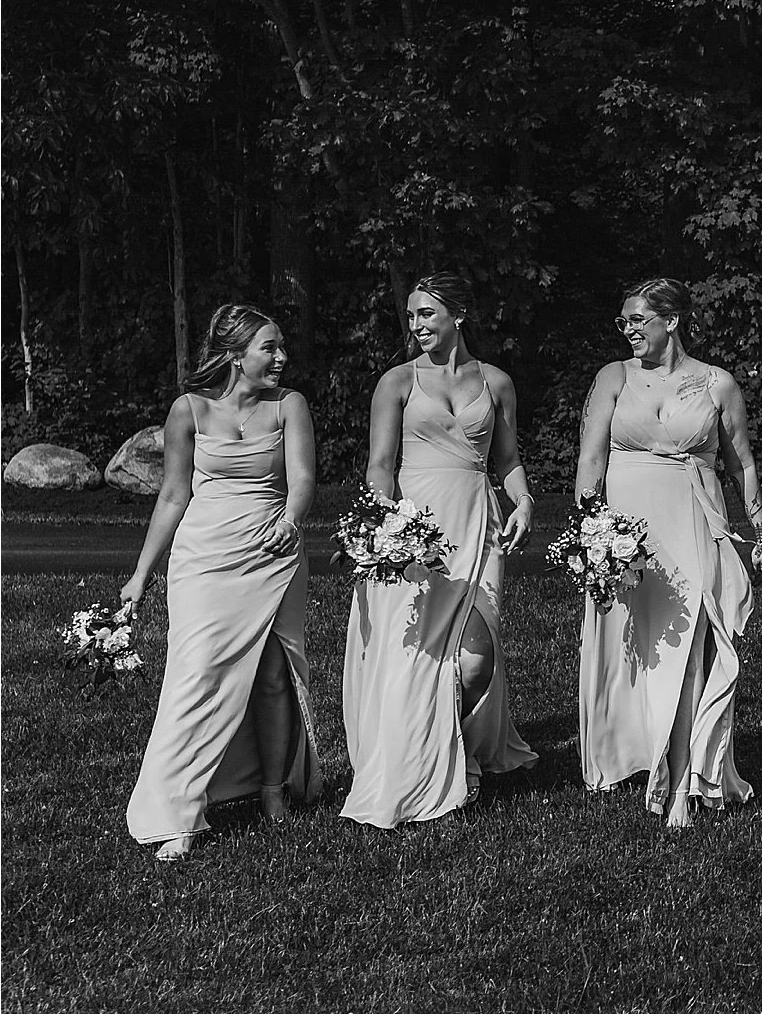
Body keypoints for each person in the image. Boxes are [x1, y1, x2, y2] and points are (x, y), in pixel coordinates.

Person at [122, 305, 321, 861]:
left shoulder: (290, 406)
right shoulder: (188, 410)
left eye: (282, 347)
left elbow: (303, 479)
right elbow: (172, 495)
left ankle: (273, 792)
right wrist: (141, 574)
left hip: (273, 553)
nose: (281, 358)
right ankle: (180, 808)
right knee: (197, 673)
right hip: (204, 558)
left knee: (276, 677)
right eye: (269, 347)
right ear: (235, 355)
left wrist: (290, 521)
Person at [342, 274, 537, 829]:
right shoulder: (397, 382)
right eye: (411, 316)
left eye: (427, 313)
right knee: (416, 653)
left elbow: (507, 459)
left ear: (460, 315)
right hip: (414, 528)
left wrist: (522, 501)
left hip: (477, 523)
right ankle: (429, 761)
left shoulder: (496, 382)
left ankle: (449, 748)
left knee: (478, 655)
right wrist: (386, 524)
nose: (417, 325)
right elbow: (380, 464)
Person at [573, 278, 762, 828]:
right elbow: (590, 461)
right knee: (640, 650)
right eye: (624, 322)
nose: (630, 331)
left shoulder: (717, 383)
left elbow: (742, 464)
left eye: (639, 320)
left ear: (672, 320)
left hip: (692, 519)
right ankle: (640, 753)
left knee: (688, 649)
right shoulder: (613, 377)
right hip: (626, 533)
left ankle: (680, 783)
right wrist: (592, 532)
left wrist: (760, 534)